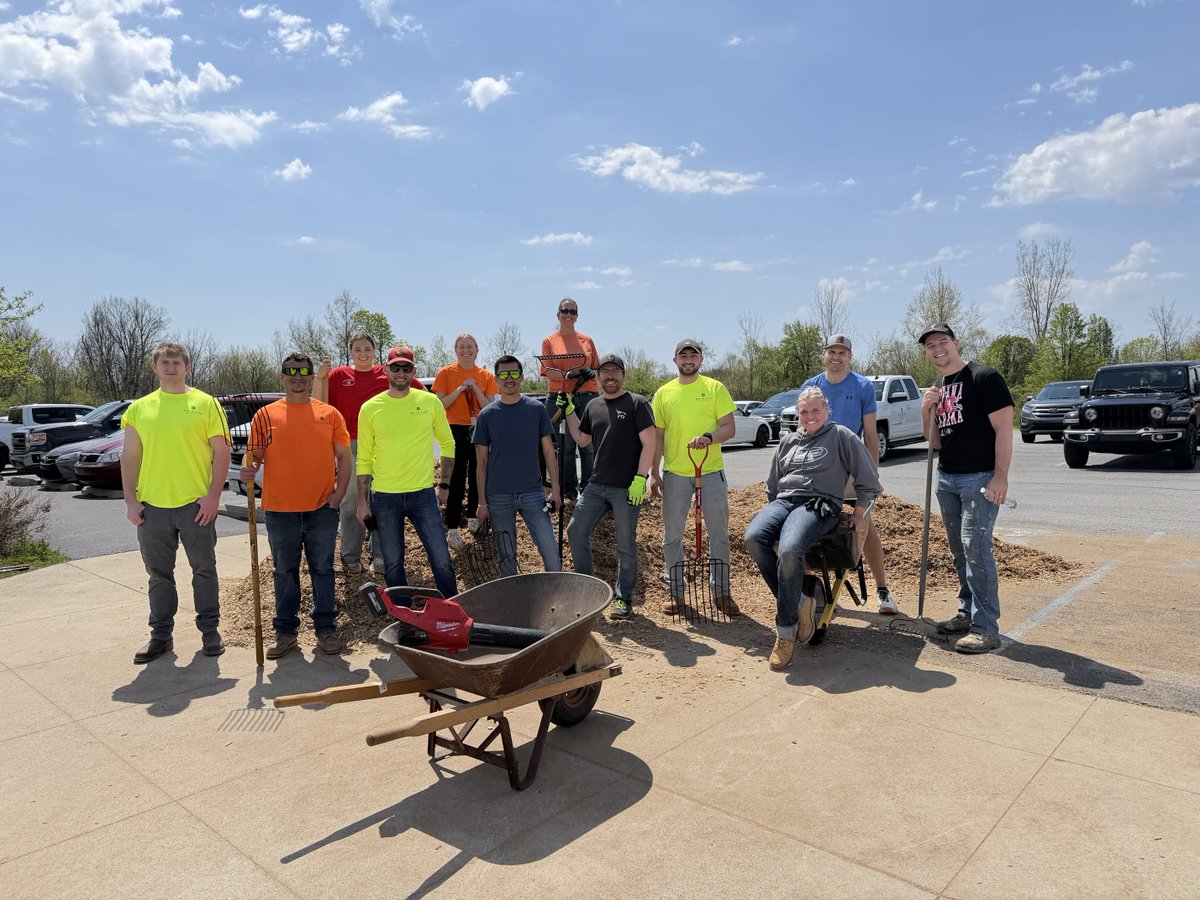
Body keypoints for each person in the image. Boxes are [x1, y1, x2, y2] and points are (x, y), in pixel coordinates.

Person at [744, 387, 881, 670]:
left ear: (827, 411)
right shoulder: (788, 441)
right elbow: (772, 486)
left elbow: (868, 479)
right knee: (754, 536)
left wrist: (858, 513)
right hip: (784, 502)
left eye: (816, 410)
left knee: (790, 547)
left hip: (819, 505)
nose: (809, 416)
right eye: (804, 412)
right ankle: (798, 602)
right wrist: (776, 513)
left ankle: (785, 630)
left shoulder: (841, 435)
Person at [120, 342, 231, 664]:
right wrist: (131, 501)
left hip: (195, 507)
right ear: (154, 367)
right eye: (164, 362)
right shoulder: (139, 409)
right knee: (159, 575)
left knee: (204, 570)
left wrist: (213, 497)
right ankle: (160, 635)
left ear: (187, 367)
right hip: (152, 507)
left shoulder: (205, 403)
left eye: (177, 362)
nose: (171, 367)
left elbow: (221, 452)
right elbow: (129, 456)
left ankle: (210, 631)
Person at [240, 353, 352, 659]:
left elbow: (344, 456)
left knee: (323, 570)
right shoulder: (265, 415)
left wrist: (339, 493)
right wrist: (248, 467)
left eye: (303, 372)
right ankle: (286, 633)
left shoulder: (329, 414)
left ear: (311, 375)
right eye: (291, 372)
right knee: (284, 572)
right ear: (282, 376)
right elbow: (254, 456)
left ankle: (326, 630)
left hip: (322, 509)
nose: (297, 377)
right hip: (280, 509)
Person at [919, 323, 1014, 654]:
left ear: (956, 343)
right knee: (960, 550)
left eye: (942, 342)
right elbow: (934, 442)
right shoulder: (939, 386)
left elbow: (1004, 430)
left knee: (977, 548)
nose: (937, 349)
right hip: (947, 479)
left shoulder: (984, 378)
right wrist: (925, 409)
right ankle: (967, 612)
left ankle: (986, 628)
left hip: (980, 478)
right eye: (930, 346)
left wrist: (1000, 477)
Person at [802, 333, 900, 615]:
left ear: (849, 356)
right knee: (810, 526)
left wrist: (871, 475)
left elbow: (870, 434)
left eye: (842, 353)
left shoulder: (862, 386)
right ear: (824, 354)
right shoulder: (811, 386)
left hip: (851, 468)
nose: (836, 357)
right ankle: (813, 589)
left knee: (863, 525)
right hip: (818, 470)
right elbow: (803, 428)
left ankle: (882, 590)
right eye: (832, 352)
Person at [314, 333, 425, 576]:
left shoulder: (386, 373)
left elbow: (421, 393)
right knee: (352, 501)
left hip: (384, 445)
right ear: (350, 351)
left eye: (367, 348)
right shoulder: (339, 375)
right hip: (351, 444)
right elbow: (319, 405)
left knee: (382, 501)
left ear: (375, 351)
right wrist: (319, 378)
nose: (362, 353)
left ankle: (381, 556)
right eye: (357, 349)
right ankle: (350, 556)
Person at [356, 346, 458, 598]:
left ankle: (452, 610)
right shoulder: (370, 408)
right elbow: (364, 458)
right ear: (385, 370)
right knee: (392, 564)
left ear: (414, 371)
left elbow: (448, 443)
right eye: (396, 367)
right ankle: (403, 617)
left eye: (406, 368)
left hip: (422, 495)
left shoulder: (429, 401)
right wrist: (361, 502)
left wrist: (444, 484)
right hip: (384, 497)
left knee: (441, 558)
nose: (401, 373)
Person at [649, 338, 740, 618]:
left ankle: (721, 592)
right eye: (683, 355)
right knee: (672, 535)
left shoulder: (714, 388)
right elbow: (659, 436)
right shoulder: (664, 393)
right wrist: (655, 471)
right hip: (676, 473)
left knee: (718, 534)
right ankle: (675, 592)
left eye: (693, 355)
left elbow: (729, 427)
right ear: (675, 360)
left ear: (701, 360)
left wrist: (709, 438)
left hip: (710, 471)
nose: (688, 360)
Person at [563, 353, 655, 618]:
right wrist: (569, 411)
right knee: (575, 532)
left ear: (623, 375)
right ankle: (588, 591)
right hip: (596, 485)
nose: (611, 376)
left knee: (625, 544)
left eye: (616, 371)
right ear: (599, 377)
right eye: (605, 371)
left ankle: (623, 598)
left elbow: (649, 442)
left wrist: (641, 478)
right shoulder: (594, 406)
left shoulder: (637, 403)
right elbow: (582, 440)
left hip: (627, 488)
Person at [473, 355, 561, 574]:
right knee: (506, 557)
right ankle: (512, 603)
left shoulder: (536, 409)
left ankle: (559, 595)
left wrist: (556, 491)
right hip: (498, 496)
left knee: (550, 549)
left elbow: (549, 452)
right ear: (496, 379)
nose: (509, 378)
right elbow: (481, 462)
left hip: (532, 493)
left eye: (514, 373)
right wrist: (482, 502)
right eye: (503, 374)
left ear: (521, 377)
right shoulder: (487, 415)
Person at [433, 333, 498, 549]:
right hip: (454, 429)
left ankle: (473, 517)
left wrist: (475, 387)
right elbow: (441, 404)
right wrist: (460, 389)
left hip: (479, 428)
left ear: (477, 350)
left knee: (478, 473)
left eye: (470, 347)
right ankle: (452, 528)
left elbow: (489, 406)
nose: (466, 350)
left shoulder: (486, 375)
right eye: (462, 347)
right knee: (456, 477)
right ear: (456, 351)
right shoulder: (446, 372)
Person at [540, 297, 601, 502]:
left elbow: (595, 367)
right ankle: (568, 491)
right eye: (565, 311)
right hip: (560, 397)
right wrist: (572, 375)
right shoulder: (549, 341)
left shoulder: (587, 340)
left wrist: (589, 373)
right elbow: (548, 371)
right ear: (558, 314)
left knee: (588, 445)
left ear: (577, 316)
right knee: (564, 445)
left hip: (587, 397)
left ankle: (589, 489)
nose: (568, 315)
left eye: (573, 312)